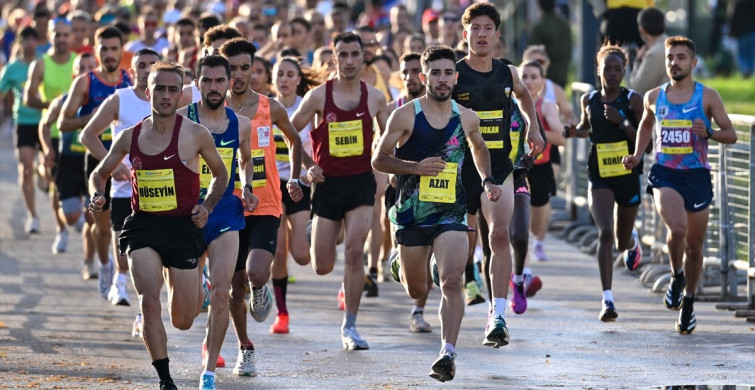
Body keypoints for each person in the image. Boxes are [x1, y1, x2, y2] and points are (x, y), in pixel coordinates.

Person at [88, 61, 229, 390]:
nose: (166, 95)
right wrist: (97, 194)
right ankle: (165, 379)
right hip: (143, 227)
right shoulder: (129, 136)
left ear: (181, 96)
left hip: (182, 228)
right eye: (160, 89)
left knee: (182, 320)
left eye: (172, 90)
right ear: (149, 92)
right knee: (148, 301)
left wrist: (206, 206)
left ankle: (199, 284)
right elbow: (100, 172)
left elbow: (221, 175)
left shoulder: (196, 135)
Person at [373, 45, 501, 382]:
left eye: (448, 73)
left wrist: (487, 180)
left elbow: (479, 147)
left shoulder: (466, 116)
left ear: (456, 77)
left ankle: (447, 352)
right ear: (422, 76)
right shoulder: (405, 115)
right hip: (413, 214)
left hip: (451, 212)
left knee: (452, 280)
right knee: (417, 290)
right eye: (435, 73)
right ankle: (404, 263)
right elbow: (379, 159)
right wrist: (415, 167)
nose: (442, 79)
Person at [622, 36, 737, 334]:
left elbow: (731, 134)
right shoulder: (653, 97)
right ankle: (676, 275)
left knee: (695, 248)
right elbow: (646, 123)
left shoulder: (707, 96)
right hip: (665, 173)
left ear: (693, 63)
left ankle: (688, 302)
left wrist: (709, 133)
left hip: (697, 176)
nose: (674, 62)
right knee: (678, 230)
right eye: (670, 57)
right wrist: (637, 154)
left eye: (681, 57)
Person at [452, 3, 543, 346]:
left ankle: (498, 315)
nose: (481, 34)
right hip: (461, 167)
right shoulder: (455, 74)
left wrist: (533, 126)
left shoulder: (508, 72)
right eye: (475, 28)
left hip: (500, 166)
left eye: (488, 28)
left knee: (500, 235)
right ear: (465, 35)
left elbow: (524, 96)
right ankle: (458, 279)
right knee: (464, 242)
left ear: (497, 34)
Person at [291, 31, 389, 350]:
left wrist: (391, 163)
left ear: (363, 57)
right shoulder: (319, 96)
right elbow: (291, 131)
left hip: (361, 182)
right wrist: (306, 166)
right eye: (342, 55)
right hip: (328, 185)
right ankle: (321, 229)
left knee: (354, 252)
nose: (349, 61)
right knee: (322, 265)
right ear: (334, 58)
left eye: (354, 54)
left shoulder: (374, 97)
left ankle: (350, 325)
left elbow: (392, 134)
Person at [219, 37, 304, 375]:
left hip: (266, 202)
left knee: (255, 273)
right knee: (233, 288)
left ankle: (261, 286)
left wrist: (295, 178)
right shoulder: (213, 112)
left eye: (244, 68)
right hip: (228, 206)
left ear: (253, 69)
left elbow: (295, 140)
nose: (239, 75)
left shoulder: (270, 107)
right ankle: (245, 347)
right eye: (232, 69)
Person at [176, 54, 257, 390]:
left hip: (225, 213)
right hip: (187, 217)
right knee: (188, 312)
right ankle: (199, 287)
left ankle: (208, 371)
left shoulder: (241, 124)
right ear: (197, 83)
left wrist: (249, 187)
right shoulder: (181, 119)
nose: (213, 87)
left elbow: (247, 160)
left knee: (223, 294)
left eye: (219, 81)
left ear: (230, 83)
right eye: (206, 81)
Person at [565, 44, 644, 321]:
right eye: (606, 69)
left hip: (627, 175)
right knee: (605, 233)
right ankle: (607, 300)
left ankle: (632, 243)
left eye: (617, 69)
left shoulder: (633, 101)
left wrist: (622, 121)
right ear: (598, 70)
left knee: (621, 241)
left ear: (625, 71)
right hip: (599, 175)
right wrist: (574, 131)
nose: (611, 74)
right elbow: (588, 127)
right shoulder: (589, 100)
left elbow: (643, 140)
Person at [79, 48, 161, 309]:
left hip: (160, 187)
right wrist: (111, 164)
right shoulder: (120, 99)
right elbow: (88, 135)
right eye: (142, 65)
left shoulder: (170, 99)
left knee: (152, 252)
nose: (147, 70)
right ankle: (117, 278)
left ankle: (141, 307)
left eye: (152, 65)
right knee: (121, 242)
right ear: (131, 71)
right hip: (126, 186)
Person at [59, 26, 131, 300]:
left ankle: (120, 276)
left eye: (115, 49)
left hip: (126, 163)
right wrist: (96, 117)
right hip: (98, 160)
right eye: (105, 49)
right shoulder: (86, 82)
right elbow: (64, 123)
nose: (110, 54)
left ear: (121, 50)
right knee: (101, 226)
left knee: (120, 224)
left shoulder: (130, 81)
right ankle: (104, 266)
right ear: (96, 49)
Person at [270, 56, 319, 333]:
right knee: (278, 251)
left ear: (299, 80)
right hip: (272, 185)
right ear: (273, 79)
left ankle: (319, 229)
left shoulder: (307, 108)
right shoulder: (264, 106)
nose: (285, 79)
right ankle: (282, 313)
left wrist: (311, 168)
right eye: (280, 74)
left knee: (301, 255)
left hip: (299, 183)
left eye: (290, 75)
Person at [384, 52, 433, 333]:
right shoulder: (394, 108)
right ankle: (394, 254)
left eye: (415, 71)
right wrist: (396, 169)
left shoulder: (439, 108)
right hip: (400, 188)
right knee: (405, 260)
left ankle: (418, 312)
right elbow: (380, 149)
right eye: (405, 72)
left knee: (427, 256)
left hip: (434, 189)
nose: (409, 77)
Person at [24, 18, 75, 254]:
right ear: (50, 35)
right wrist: (51, 105)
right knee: (57, 185)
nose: (62, 39)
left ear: (72, 36)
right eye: (58, 35)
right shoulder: (41, 64)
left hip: (76, 132)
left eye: (66, 35)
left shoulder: (79, 63)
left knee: (74, 185)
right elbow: (28, 97)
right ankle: (61, 230)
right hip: (51, 130)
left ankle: (73, 224)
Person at [519, 61, 566, 262]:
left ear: (542, 82)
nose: (528, 81)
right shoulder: (510, 105)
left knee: (536, 221)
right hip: (516, 166)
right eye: (524, 77)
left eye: (533, 77)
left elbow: (561, 137)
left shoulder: (546, 106)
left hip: (540, 166)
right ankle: (522, 256)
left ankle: (537, 241)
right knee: (516, 216)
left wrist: (534, 131)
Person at [0, 26, 42, 235]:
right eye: (26, 39)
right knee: (26, 169)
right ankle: (33, 216)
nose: (30, 43)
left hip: (46, 122)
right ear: (21, 42)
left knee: (46, 173)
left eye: (33, 39)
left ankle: (44, 175)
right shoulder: (12, 68)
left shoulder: (45, 61)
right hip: (24, 121)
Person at [528, 0, 572, 88]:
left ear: (539, 6)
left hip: (544, 79)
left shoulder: (539, 27)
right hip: (562, 76)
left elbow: (532, 55)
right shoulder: (564, 25)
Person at [626, 7, 668, 95]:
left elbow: (634, 90)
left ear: (643, 30)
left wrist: (636, 61)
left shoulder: (653, 54)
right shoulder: (675, 45)